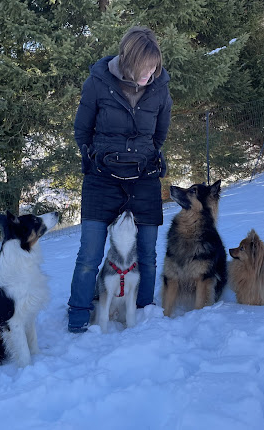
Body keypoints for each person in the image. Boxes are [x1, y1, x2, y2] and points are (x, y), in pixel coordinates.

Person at [68, 26, 172, 333]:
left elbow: (159, 134)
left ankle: (142, 315)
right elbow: (82, 130)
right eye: (144, 67)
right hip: (102, 179)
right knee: (90, 254)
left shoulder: (161, 88)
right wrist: (93, 158)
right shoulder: (98, 82)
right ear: (127, 59)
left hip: (144, 179)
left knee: (148, 255)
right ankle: (78, 319)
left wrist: (146, 154)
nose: (149, 73)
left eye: (154, 67)